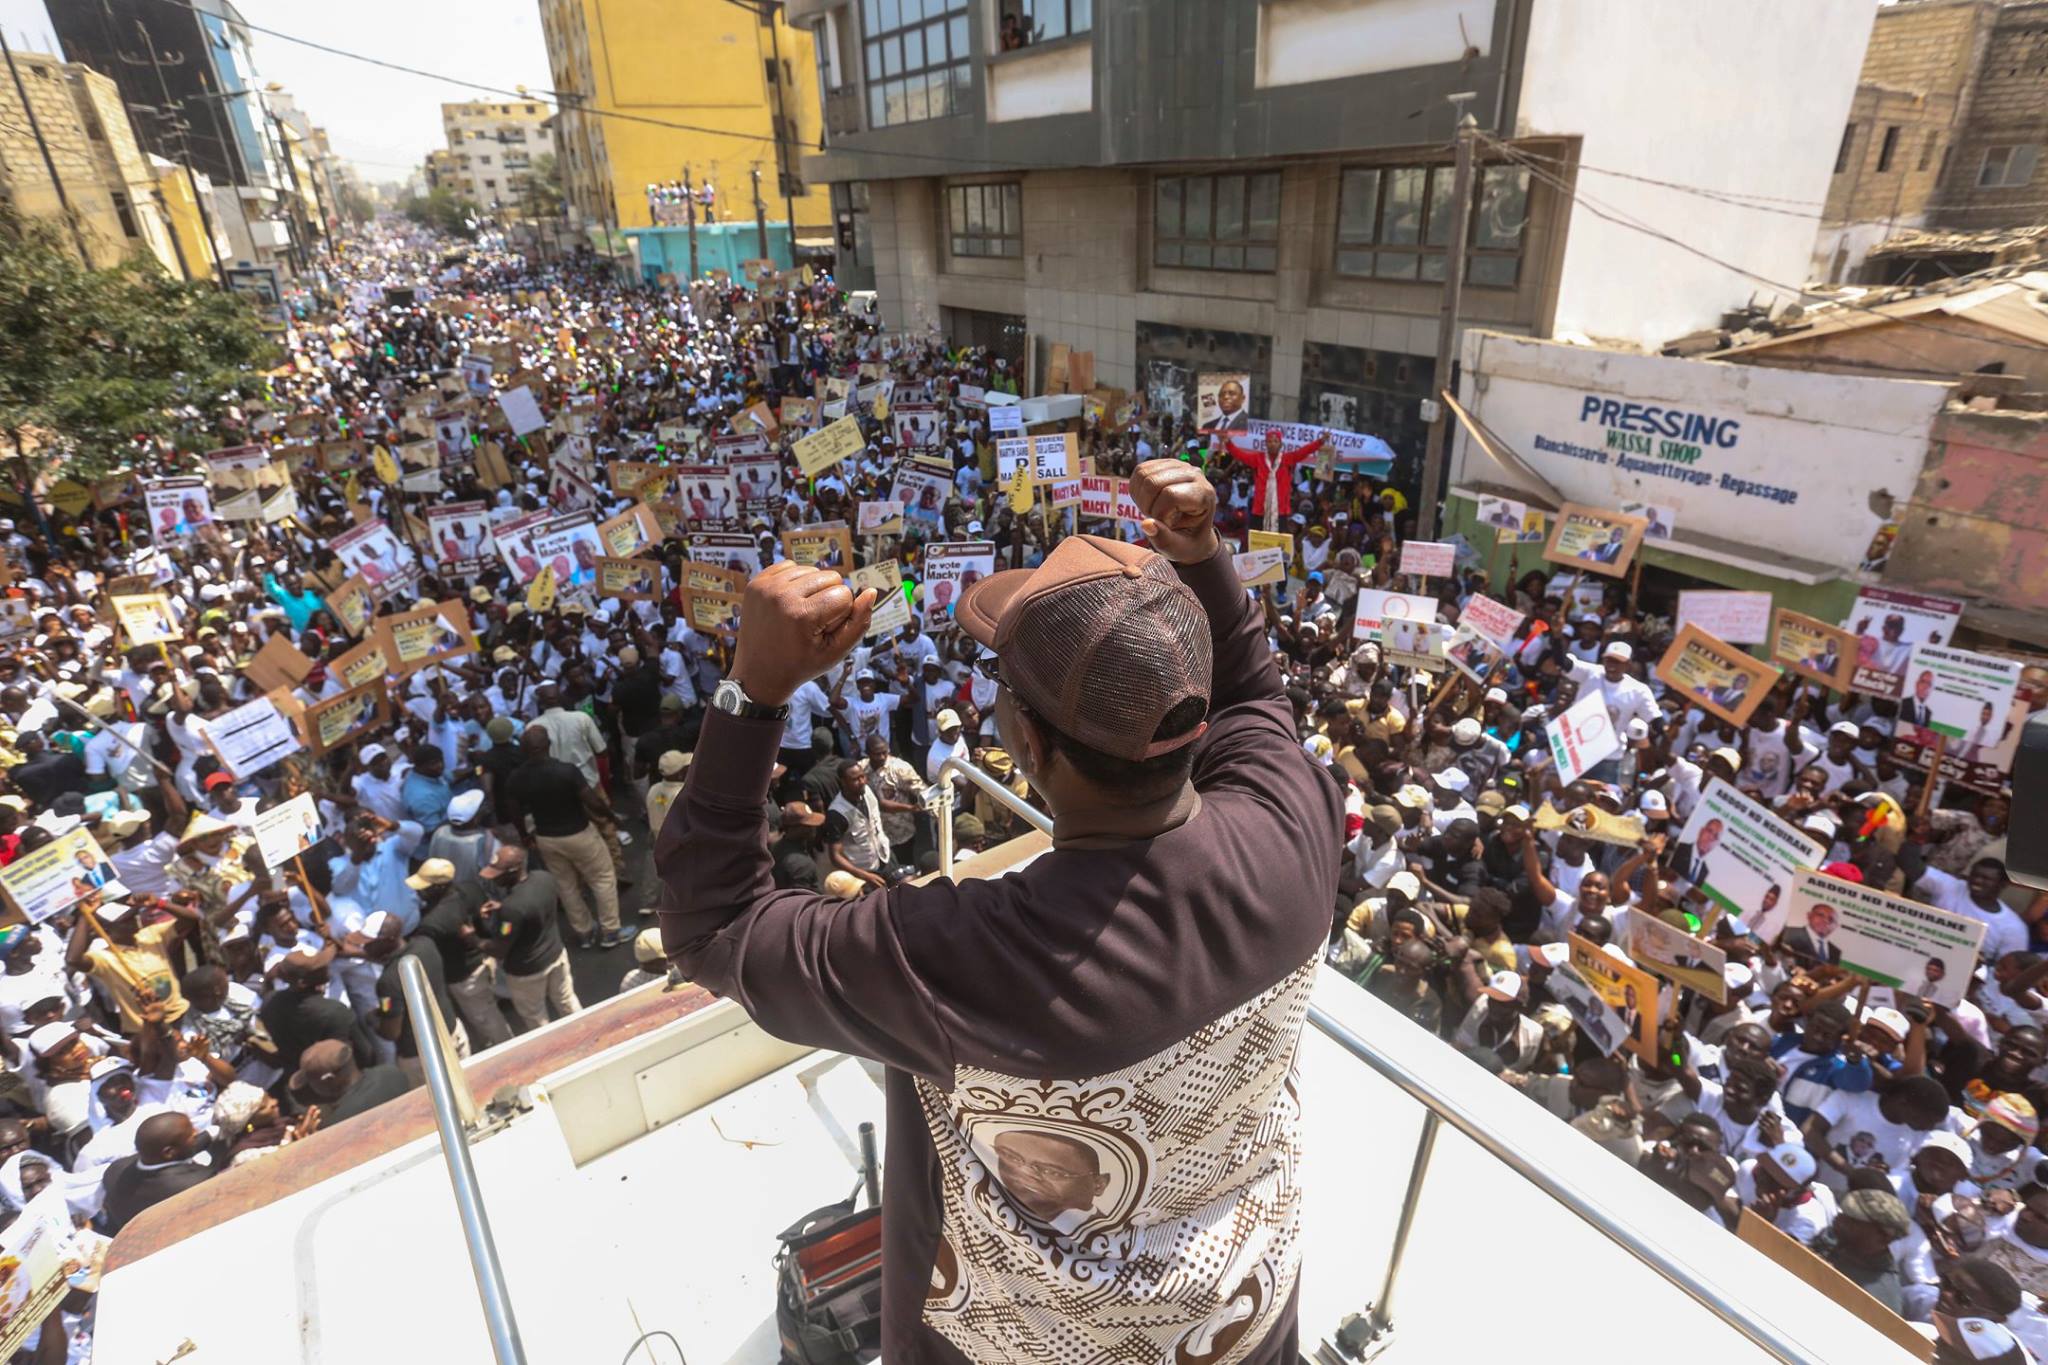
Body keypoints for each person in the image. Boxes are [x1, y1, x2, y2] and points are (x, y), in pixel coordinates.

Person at [658, 462, 1341, 1363]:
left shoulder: (965, 956)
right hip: (1239, 1319)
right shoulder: (1295, 823)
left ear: (1027, 740)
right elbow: (1258, 701)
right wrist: (1205, 557)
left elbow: (711, 927)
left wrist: (752, 691)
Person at [507, 726, 630, 949]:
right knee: (602, 879)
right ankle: (611, 931)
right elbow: (591, 801)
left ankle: (585, 932)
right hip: (579, 832)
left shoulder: (517, 777)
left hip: (546, 838)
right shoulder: (566, 771)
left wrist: (524, 835)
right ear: (549, 745)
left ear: (524, 749)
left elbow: (514, 809)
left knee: (566, 886)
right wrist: (611, 816)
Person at [100, 1110, 213, 1233]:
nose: (197, 1131)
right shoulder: (196, 1184)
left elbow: (178, 1151)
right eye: (193, 1136)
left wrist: (210, 1134)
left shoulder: (116, 1170)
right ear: (169, 1152)